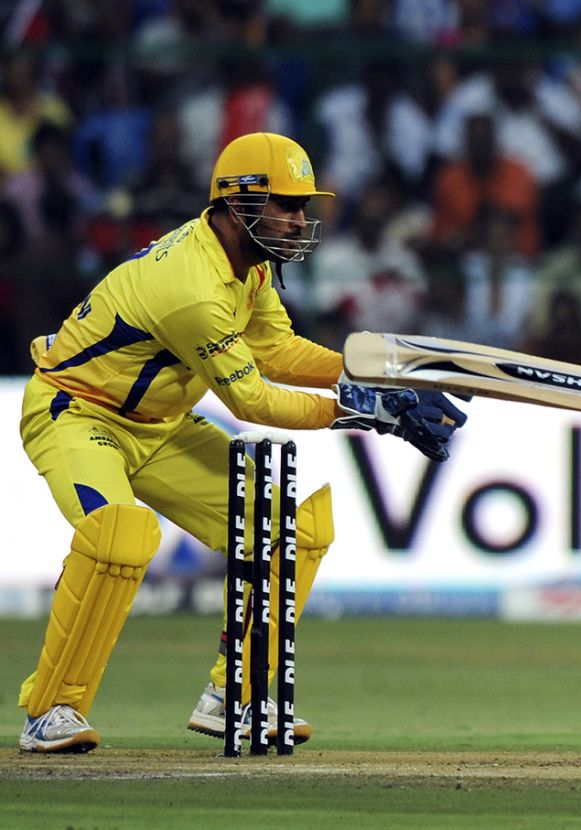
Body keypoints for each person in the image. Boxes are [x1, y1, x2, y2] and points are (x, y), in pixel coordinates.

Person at [17, 132, 467, 754]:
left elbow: (276, 350)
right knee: (118, 533)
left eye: (303, 206)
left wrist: (373, 380)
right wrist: (364, 413)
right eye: (286, 205)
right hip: (77, 413)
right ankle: (52, 710)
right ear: (236, 204)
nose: (299, 220)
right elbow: (251, 400)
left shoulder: (247, 264)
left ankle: (236, 695)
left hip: (160, 424)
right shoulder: (192, 285)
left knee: (292, 529)